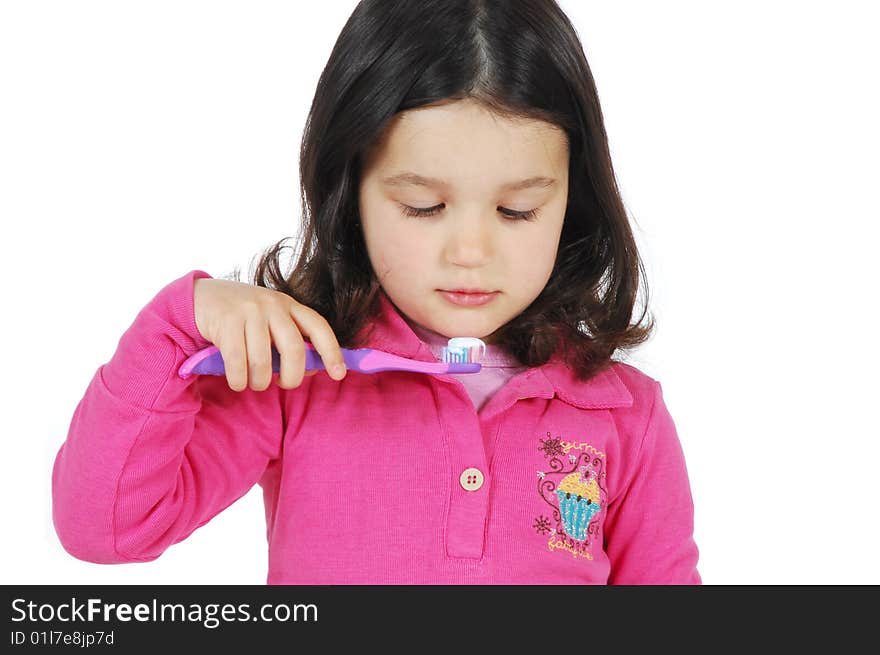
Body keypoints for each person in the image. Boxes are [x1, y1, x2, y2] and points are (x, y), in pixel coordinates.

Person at [51, 0, 700, 584]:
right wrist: (177, 326)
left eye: (517, 210)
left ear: (573, 200)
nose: (470, 252)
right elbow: (106, 529)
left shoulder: (625, 416)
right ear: (349, 190)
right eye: (423, 206)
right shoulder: (296, 375)